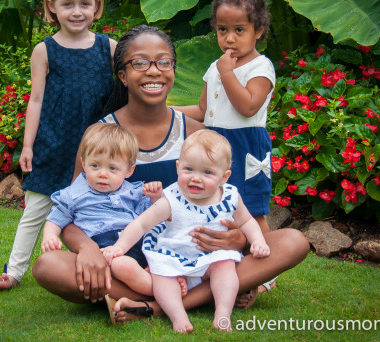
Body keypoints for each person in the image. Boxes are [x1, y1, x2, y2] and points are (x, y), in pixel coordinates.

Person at [32, 25, 309, 326]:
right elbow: (71, 208)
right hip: (125, 259)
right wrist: (87, 249)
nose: (154, 71)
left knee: (293, 241)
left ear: (173, 70)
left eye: (163, 62)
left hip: (195, 255)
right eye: (140, 62)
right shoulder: (101, 136)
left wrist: (237, 238)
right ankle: (187, 296)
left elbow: (233, 205)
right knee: (49, 265)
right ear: (122, 75)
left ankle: (157, 306)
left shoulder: (199, 134)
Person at [0, 0, 117, 290]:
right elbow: (35, 101)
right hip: (54, 143)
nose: (77, 12)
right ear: (51, 6)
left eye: (84, 4)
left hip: (96, 149)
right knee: (36, 209)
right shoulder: (45, 50)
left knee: (96, 208)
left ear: (97, 4)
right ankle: (15, 270)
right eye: (67, 4)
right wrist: (29, 145)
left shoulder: (110, 48)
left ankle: (104, 264)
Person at [102, 130, 270, 333]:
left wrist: (257, 241)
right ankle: (177, 315)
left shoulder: (231, 197)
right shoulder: (171, 200)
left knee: (225, 267)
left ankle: (223, 313)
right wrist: (119, 247)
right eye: (189, 169)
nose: (196, 179)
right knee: (163, 277)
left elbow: (247, 221)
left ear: (224, 177)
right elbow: (141, 224)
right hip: (174, 259)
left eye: (207, 173)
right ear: (177, 167)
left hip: (211, 259)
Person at [175, 0, 278, 293]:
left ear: (258, 29)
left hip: (247, 146)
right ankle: (225, 269)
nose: (229, 38)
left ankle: (267, 276)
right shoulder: (216, 66)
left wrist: (228, 72)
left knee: (254, 211)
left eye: (238, 30)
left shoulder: (261, 67)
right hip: (216, 146)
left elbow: (248, 105)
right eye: (222, 30)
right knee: (221, 208)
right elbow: (204, 111)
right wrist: (166, 110)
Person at [41, 123, 169, 297]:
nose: (103, 174)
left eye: (112, 168)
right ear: (83, 164)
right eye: (95, 166)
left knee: (160, 255)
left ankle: (163, 285)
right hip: (103, 250)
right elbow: (57, 216)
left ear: (129, 170)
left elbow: (154, 215)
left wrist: (155, 197)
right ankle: (158, 294)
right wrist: (50, 236)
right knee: (122, 266)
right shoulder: (74, 194)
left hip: (136, 243)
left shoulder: (134, 192)